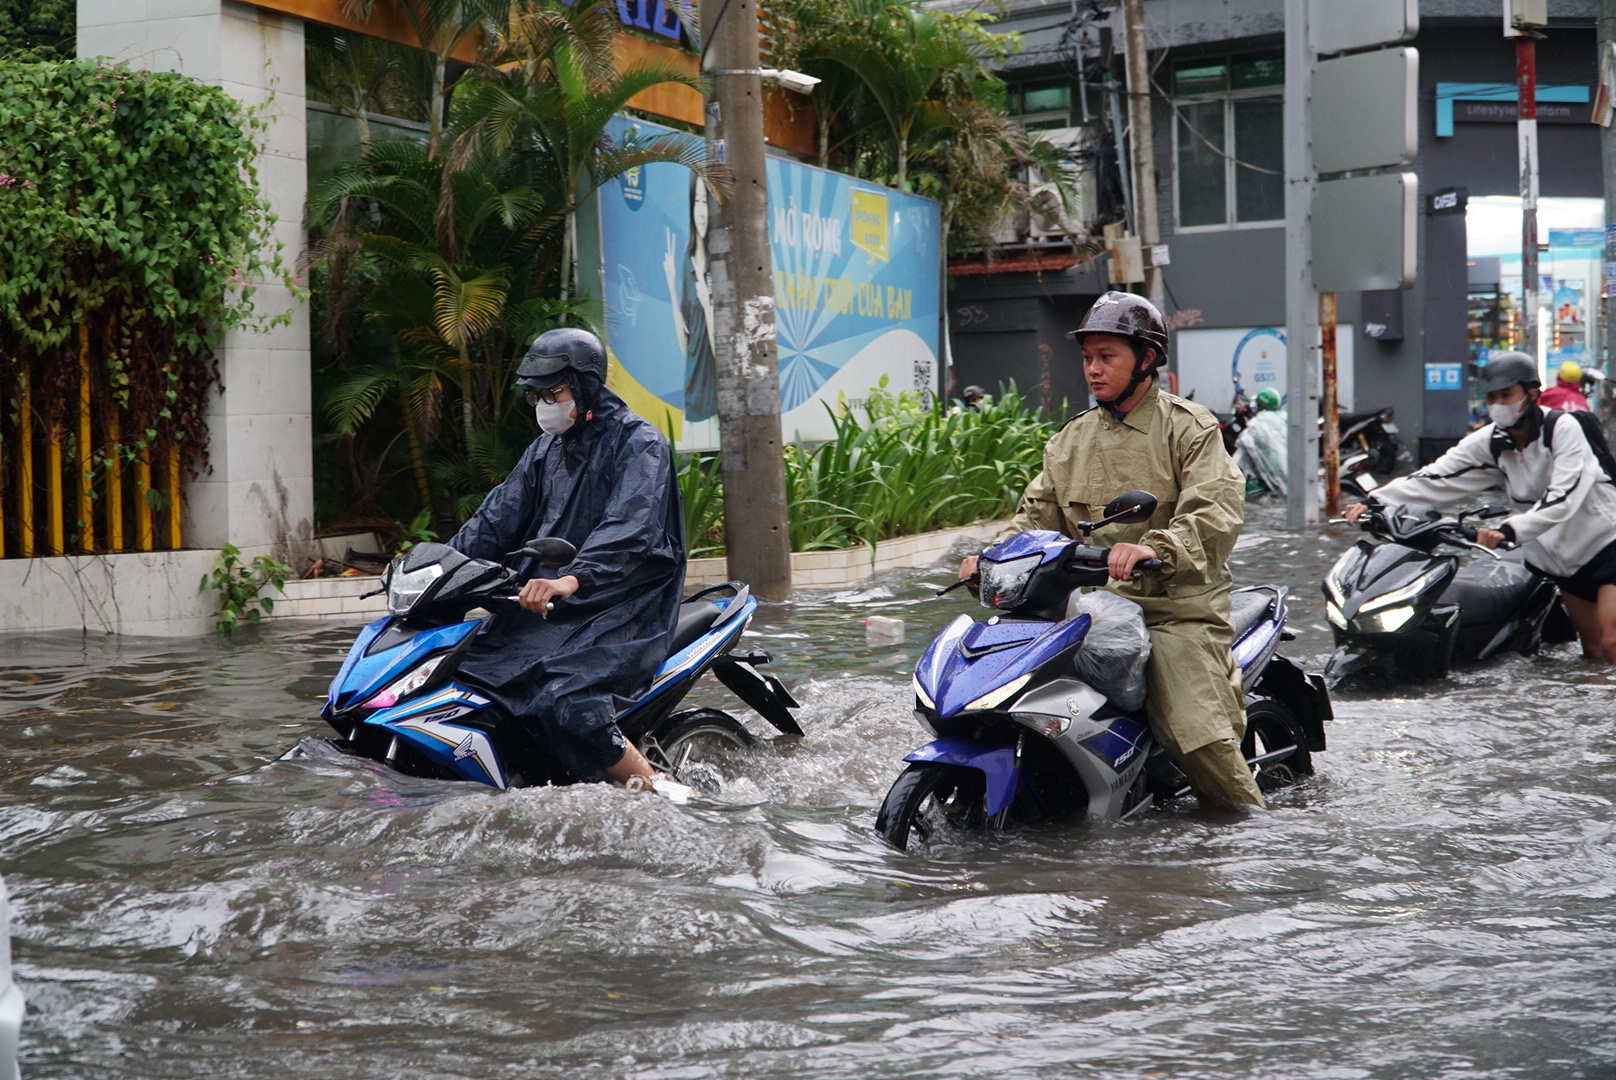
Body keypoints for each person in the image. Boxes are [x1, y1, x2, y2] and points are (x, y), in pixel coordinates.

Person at [959, 291, 1264, 811]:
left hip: (1172, 609)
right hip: (1084, 608)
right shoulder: (1069, 440)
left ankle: (1251, 829)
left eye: (1108, 357)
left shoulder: (1187, 428)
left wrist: (1153, 548)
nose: (1093, 370)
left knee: (1194, 733)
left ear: (1145, 359)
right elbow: (1036, 516)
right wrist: (991, 557)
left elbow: (1215, 512)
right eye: (1087, 358)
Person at [448, 328, 688, 787]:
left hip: (622, 605)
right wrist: (438, 565)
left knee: (566, 699)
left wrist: (573, 578)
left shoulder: (640, 444)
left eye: (553, 392)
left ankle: (660, 792)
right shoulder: (546, 450)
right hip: (545, 604)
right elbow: (496, 518)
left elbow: (630, 528)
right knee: (467, 670)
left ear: (585, 384)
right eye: (538, 394)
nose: (545, 404)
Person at [1345, 351, 1616, 662]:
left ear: (1531, 394)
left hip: (1606, 542)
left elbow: (1564, 495)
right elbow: (1437, 476)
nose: (1499, 404)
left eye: (1506, 395)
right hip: (1564, 560)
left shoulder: (1563, 428)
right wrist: (1376, 501)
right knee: (1593, 650)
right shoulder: (1490, 440)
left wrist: (1508, 531)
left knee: (1612, 641)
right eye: (1492, 397)